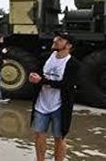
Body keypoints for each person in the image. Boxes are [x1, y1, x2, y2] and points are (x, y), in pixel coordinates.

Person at [28, 32, 79, 161]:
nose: (55, 40)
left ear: (68, 45)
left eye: (60, 39)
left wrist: (42, 81)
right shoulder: (45, 57)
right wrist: (32, 77)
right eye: (56, 38)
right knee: (39, 135)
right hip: (41, 104)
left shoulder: (72, 63)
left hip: (60, 106)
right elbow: (37, 73)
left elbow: (67, 85)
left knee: (59, 138)